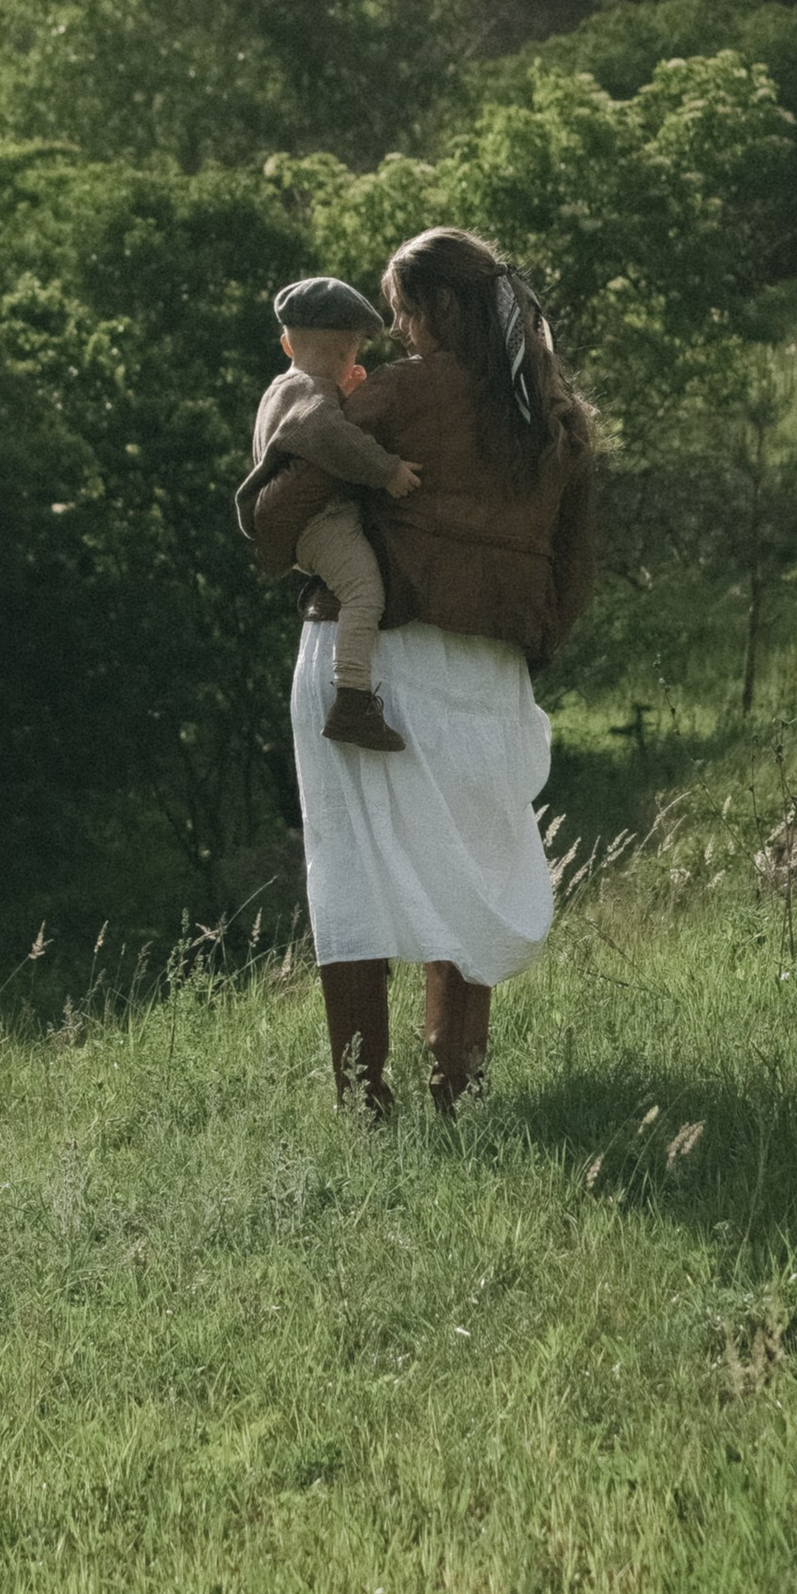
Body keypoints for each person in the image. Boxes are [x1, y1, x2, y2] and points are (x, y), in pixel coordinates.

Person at [249, 225, 594, 1121]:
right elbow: (572, 571)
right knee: (470, 871)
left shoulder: (401, 398)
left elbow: (277, 515)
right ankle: (459, 1092)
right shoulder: (552, 416)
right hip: (484, 670)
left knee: (352, 871)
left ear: (438, 308)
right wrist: (520, 637)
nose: (396, 335)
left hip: (366, 657)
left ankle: (367, 1106)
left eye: (401, 313)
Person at [235, 275, 425, 751]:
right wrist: (387, 471)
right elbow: (325, 433)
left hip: (312, 526)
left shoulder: (286, 387)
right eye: (349, 353)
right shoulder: (308, 397)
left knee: (359, 587)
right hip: (322, 523)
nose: (350, 363)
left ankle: (352, 695)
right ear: (345, 350)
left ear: (285, 343)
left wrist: (342, 390)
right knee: (365, 593)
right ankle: (353, 700)